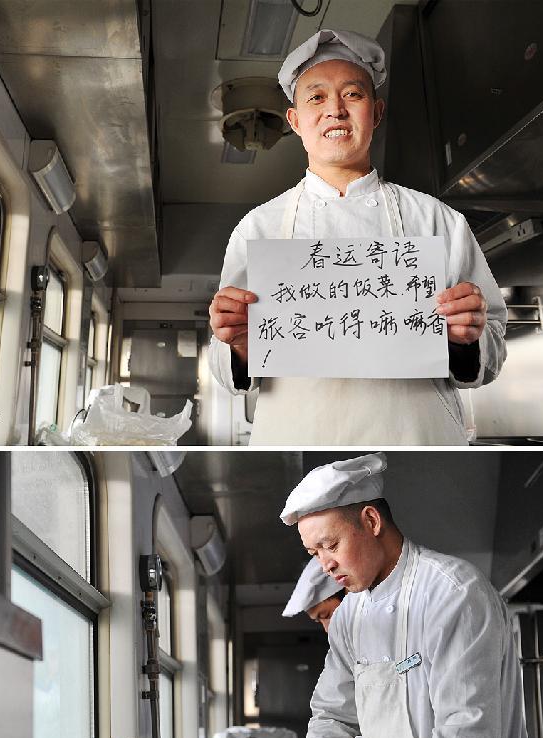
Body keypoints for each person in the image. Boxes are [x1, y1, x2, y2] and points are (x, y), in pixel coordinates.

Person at [209, 30, 507, 445]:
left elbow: (491, 350)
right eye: (315, 97)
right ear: (295, 121)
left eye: (353, 95)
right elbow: (226, 372)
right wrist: (239, 345)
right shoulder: (258, 229)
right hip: (298, 440)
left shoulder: (439, 222)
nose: (335, 110)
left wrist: (466, 338)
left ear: (377, 112)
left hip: (416, 442)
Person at [280, 453, 543, 738]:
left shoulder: (453, 594)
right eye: (314, 553)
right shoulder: (351, 616)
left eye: (331, 545)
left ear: (370, 520)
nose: (324, 565)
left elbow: (468, 736)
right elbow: (332, 714)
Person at [284, 559, 370, 738]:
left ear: (351, 595)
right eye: (318, 621)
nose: (327, 628)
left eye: (328, 615)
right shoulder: (346, 651)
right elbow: (333, 716)